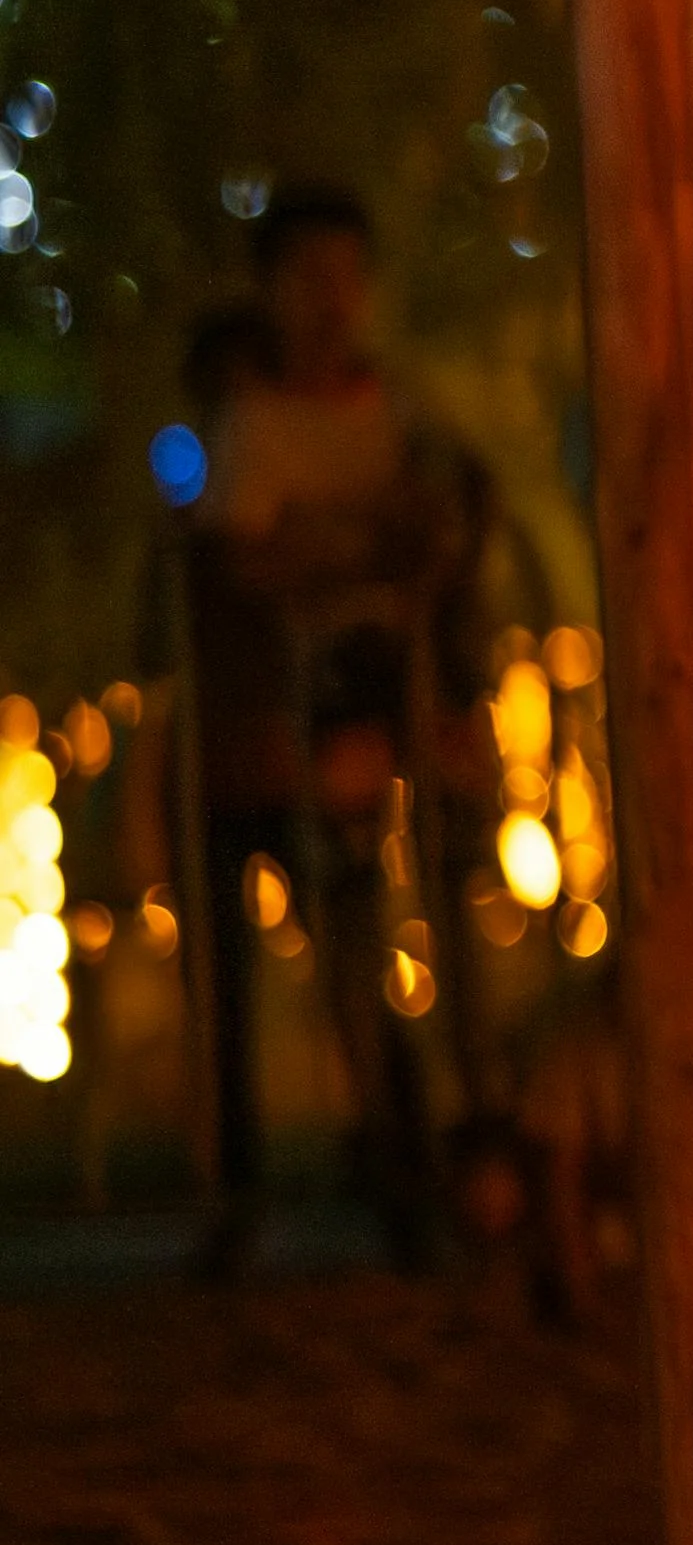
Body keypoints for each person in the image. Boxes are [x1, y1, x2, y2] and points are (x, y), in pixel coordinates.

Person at [176, 186, 501, 1277]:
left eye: (345, 276)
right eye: (307, 276)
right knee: (344, 942)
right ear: (270, 290)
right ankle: (374, 1164)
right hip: (295, 713)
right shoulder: (251, 423)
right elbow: (246, 566)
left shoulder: (403, 411)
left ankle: (467, 1138)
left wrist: (350, 544)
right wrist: (359, 544)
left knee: (442, 928)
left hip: (406, 691)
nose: (330, 302)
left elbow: (445, 527)